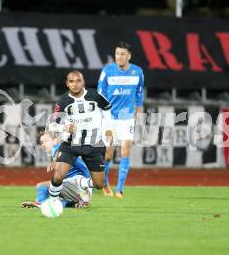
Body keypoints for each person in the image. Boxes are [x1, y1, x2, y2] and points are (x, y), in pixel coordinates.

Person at [47, 70, 111, 201]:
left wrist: (109, 129)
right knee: (58, 175)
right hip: (71, 144)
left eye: (78, 81)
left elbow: (108, 108)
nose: (75, 84)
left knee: (99, 184)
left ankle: (83, 183)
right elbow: (52, 125)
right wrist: (64, 127)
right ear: (67, 84)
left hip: (94, 143)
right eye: (71, 81)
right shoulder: (63, 101)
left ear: (83, 82)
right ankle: (52, 202)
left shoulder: (95, 95)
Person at [97, 41, 145, 198]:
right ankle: (104, 184)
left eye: (123, 54)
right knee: (108, 154)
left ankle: (120, 189)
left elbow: (139, 91)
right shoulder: (107, 71)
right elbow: (100, 92)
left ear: (129, 56)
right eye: (117, 54)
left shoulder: (137, 72)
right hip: (110, 116)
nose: (119, 57)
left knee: (125, 150)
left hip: (126, 116)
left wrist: (138, 108)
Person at [21, 131, 92, 209]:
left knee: (42, 186)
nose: (43, 145)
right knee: (54, 194)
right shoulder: (61, 150)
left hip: (79, 187)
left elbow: (59, 151)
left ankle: (40, 204)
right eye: (41, 142)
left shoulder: (57, 149)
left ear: (54, 140)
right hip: (82, 190)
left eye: (46, 141)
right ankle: (73, 203)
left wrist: (54, 159)